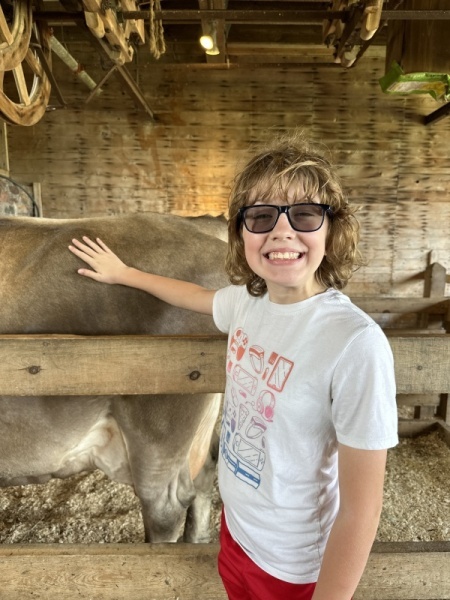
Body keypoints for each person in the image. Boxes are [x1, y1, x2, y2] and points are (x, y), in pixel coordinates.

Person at [68, 131, 398, 600]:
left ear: (332, 228)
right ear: (243, 233)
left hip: (292, 565)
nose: (281, 231)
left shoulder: (354, 344)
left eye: (304, 214)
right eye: (261, 216)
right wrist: (125, 274)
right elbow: (194, 295)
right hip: (237, 533)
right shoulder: (248, 302)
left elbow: (362, 511)